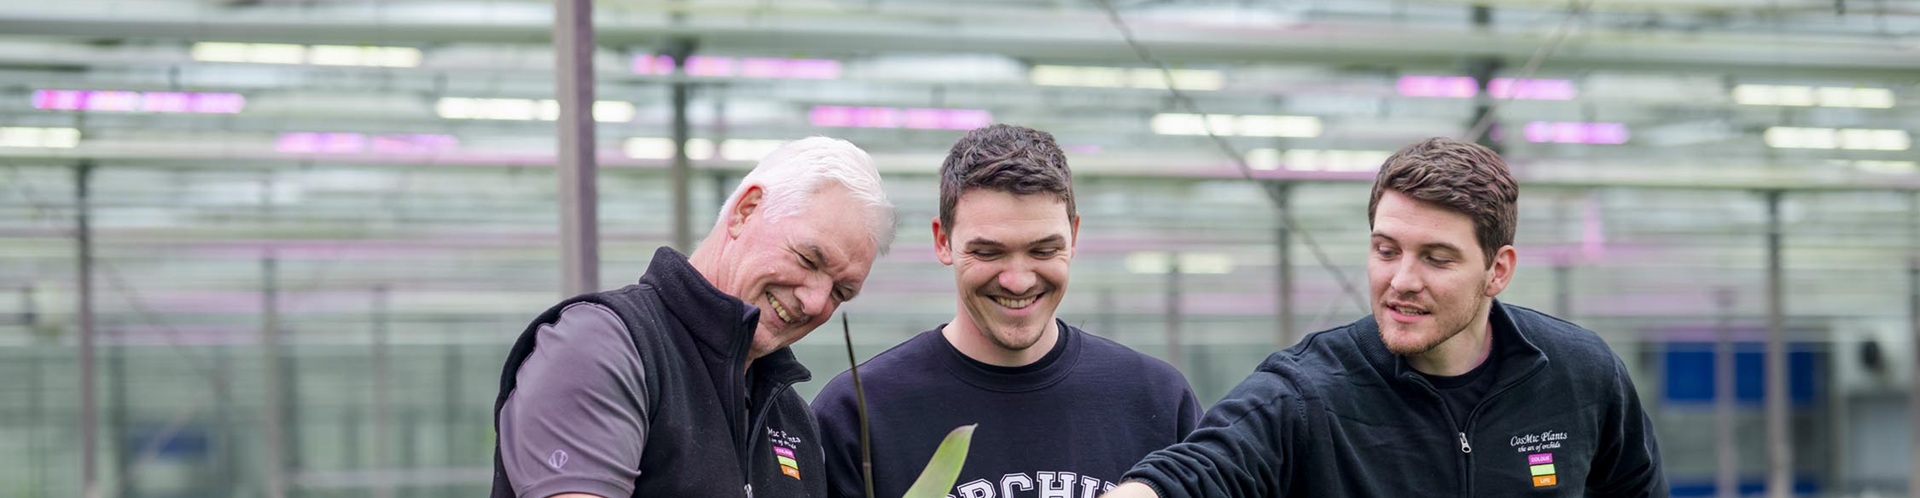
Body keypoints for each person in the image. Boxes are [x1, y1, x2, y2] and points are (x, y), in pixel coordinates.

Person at [1105, 137, 1667, 498]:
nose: (1401, 280)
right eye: (1386, 250)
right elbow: (1197, 473)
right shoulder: (1306, 393)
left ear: (1497, 270)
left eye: (1437, 258)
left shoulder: (1580, 373)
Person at [488, 137, 897, 498]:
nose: (815, 302)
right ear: (746, 210)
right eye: (808, 259)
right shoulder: (603, 347)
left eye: (841, 292)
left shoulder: (792, 419)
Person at [812, 124, 1201, 498]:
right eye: (988, 252)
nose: (1018, 281)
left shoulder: (1155, 400)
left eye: (1043, 250)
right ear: (943, 241)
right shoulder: (861, 413)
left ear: (1074, 236)